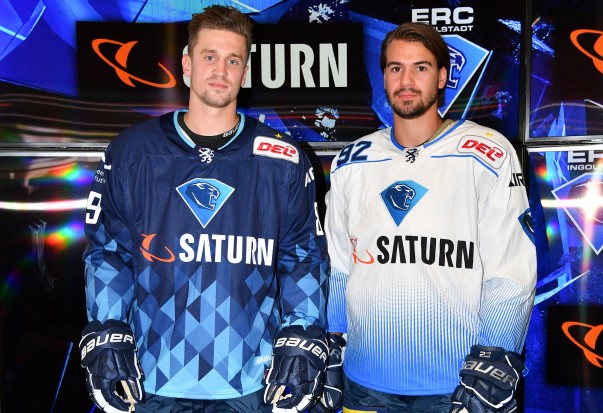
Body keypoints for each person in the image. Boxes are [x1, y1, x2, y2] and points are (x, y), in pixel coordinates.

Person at [79, 6, 333, 413]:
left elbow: (303, 257)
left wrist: (302, 333)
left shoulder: (282, 158)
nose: (221, 69)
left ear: (246, 72)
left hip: (253, 382)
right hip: (152, 378)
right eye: (209, 57)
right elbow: (109, 252)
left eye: (234, 60)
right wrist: (108, 327)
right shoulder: (132, 151)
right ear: (186, 65)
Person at [324, 22, 537, 413]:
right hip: (365, 382)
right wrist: (332, 342)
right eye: (395, 68)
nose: (406, 80)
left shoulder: (486, 153)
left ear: (442, 77)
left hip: (457, 385)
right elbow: (340, 265)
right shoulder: (351, 161)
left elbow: (510, 272)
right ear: (384, 77)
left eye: (420, 68)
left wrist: (493, 360)